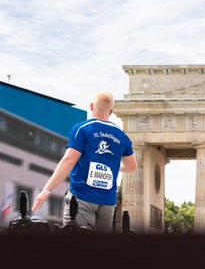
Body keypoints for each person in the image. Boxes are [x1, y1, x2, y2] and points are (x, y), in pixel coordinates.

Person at [32, 91, 137, 232]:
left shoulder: (82, 129)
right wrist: (112, 166)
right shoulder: (123, 137)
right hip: (107, 204)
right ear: (111, 111)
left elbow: (69, 160)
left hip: (81, 199)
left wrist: (47, 189)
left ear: (91, 106)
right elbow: (131, 167)